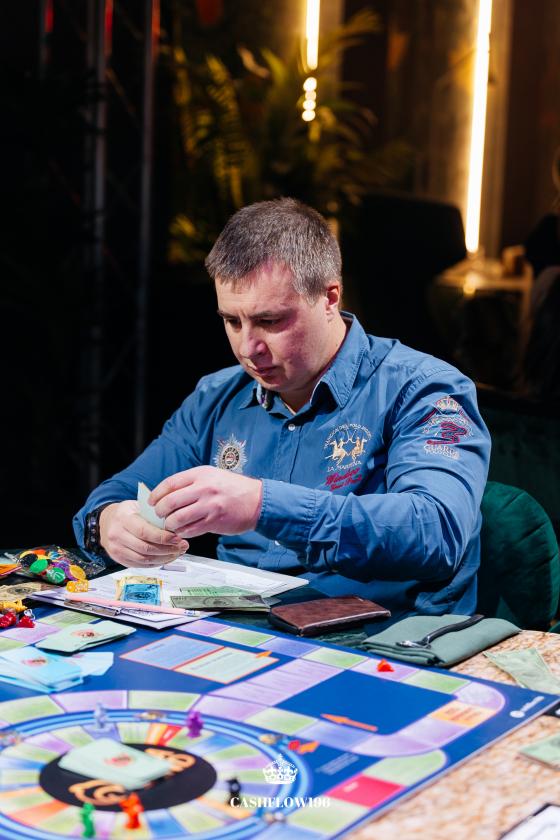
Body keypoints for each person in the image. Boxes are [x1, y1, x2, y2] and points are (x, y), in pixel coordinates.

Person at [74, 198, 490, 622]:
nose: (247, 348)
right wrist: (108, 522)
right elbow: (121, 491)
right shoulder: (217, 395)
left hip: (378, 636)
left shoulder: (423, 390)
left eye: (270, 321)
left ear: (329, 297)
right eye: (232, 321)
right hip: (240, 627)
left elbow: (436, 533)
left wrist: (262, 505)